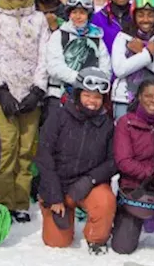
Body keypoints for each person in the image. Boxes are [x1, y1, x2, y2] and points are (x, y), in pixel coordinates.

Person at [0, 0, 50, 219]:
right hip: (2, 96)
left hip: (30, 95)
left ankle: (20, 202)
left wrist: (37, 90)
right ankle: (2, 203)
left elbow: (45, 56)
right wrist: (1, 89)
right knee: (6, 147)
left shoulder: (39, 20)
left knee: (26, 150)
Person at [35, 67, 118, 253]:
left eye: (97, 97)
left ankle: (96, 239)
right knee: (57, 242)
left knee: (105, 200)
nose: (92, 102)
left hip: (87, 185)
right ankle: (58, 214)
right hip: (58, 185)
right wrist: (55, 196)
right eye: (88, 95)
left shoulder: (106, 125)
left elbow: (113, 161)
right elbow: (44, 155)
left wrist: (91, 180)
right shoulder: (58, 116)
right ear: (78, 94)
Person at [112, 78, 154, 254]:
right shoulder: (126, 122)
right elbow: (123, 161)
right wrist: (150, 173)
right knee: (123, 247)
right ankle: (123, 219)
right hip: (135, 187)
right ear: (140, 98)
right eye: (148, 96)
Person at [45, 0, 110, 104]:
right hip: (60, 95)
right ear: (69, 14)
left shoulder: (97, 39)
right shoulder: (59, 35)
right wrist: (81, 79)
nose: (78, 16)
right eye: (74, 12)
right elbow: (54, 66)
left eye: (82, 13)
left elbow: (105, 68)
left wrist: (93, 83)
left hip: (89, 97)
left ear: (88, 15)